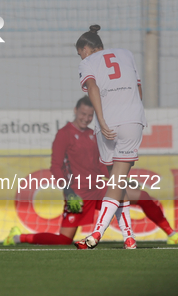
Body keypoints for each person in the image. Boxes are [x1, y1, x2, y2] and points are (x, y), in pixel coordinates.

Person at [3, 96, 177, 247]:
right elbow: (55, 166)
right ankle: (17, 237)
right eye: (82, 114)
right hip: (78, 194)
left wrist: (119, 180)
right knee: (64, 239)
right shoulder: (64, 134)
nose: (85, 118)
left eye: (89, 115)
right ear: (75, 111)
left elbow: (100, 165)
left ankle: (172, 234)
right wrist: (68, 191)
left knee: (143, 196)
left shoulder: (93, 134)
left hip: (100, 189)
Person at [73, 25, 147, 249]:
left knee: (114, 181)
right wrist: (136, 114)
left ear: (86, 48)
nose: (80, 56)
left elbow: (92, 88)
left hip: (108, 123)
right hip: (132, 121)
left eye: (80, 52)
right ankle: (129, 237)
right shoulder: (127, 54)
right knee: (118, 182)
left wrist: (102, 120)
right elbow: (137, 89)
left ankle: (95, 234)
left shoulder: (87, 63)